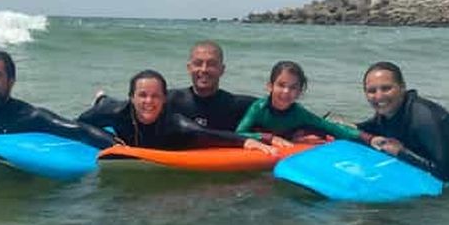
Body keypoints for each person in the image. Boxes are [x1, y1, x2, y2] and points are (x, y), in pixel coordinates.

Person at [358, 61, 449, 186]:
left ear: (402, 88)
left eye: (386, 88)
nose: (379, 96)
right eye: (371, 91)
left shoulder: (424, 119)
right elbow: (361, 129)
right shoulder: (388, 114)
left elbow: (448, 173)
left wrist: (401, 152)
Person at [78, 69, 275, 152]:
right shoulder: (114, 112)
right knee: (104, 103)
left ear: (165, 99)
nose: (149, 101)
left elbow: (208, 134)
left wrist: (248, 141)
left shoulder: (175, 123)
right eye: (143, 95)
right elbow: (80, 123)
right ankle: (101, 97)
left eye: (156, 96)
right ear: (131, 97)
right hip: (109, 106)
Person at [235, 60, 374, 147]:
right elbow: (239, 133)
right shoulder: (259, 108)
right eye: (281, 85)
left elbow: (331, 127)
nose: (286, 91)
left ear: (299, 92)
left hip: (296, 133)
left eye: (293, 87)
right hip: (274, 136)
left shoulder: (299, 113)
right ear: (270, 86)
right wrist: (269, 138)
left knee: (325, 131)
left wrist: (368, 138)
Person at [167, 40, 257, 130]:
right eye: (198, 63)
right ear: (189, 68)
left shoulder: (239, 106)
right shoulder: (170, 101)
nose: (204, 69)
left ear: (222, 69)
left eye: (211, 64)